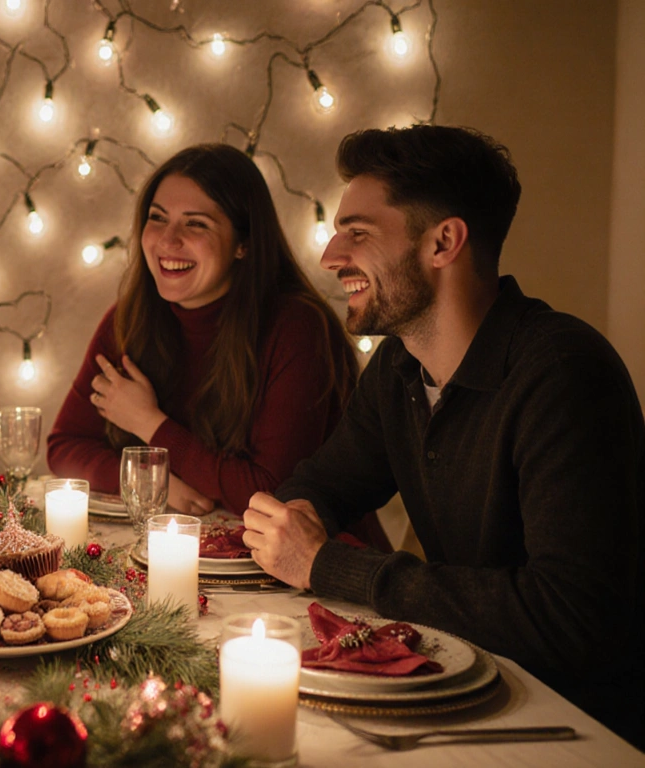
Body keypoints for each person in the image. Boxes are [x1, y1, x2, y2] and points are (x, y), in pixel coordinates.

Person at [244, 125, 645, 747]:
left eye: (358, 232)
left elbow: (572, 620)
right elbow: (323, 483)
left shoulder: (564, 374)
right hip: (466, 694)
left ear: (444, 242)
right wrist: (298, 520)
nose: (329, 256)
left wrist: (330, 565)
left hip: (574, 730)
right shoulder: (400, 367)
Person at [47, 143, 361, 522]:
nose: (167, 240)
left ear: (243, 244)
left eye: (195, 223)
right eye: (158, 218)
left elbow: (273, 495)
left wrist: (150, 424)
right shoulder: (130, 320)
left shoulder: (297, 328)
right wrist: (152, 479)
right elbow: (65, 446)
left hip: (306, 565)